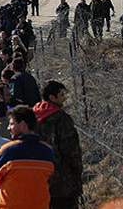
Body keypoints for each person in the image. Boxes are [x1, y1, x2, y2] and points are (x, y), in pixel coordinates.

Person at [0, 105, 55, 209]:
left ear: (23, 125)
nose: (8, 128)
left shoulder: (7, 151)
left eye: (11, 124)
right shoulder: (48, 151)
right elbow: (51, 180)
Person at [33, 81, 83, 209]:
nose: (64, 98)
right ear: (52, 97)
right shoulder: (61, 118)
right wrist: (77, 173)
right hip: (62, 181)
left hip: (39, 178)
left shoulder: (33, 116)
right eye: (61, 95)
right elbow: (71, 151)